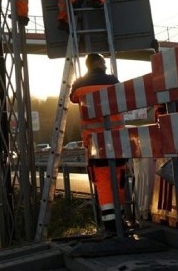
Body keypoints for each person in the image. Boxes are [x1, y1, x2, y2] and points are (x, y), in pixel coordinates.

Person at [70, 52, 127, 232]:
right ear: (100, 64)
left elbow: (73, 99)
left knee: (103, 181)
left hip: (95, 143)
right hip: (117, 141)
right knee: (119, 180)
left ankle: (110, 224)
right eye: (104, 62)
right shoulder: (113, 81)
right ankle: (122, 220)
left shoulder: (79, 85)